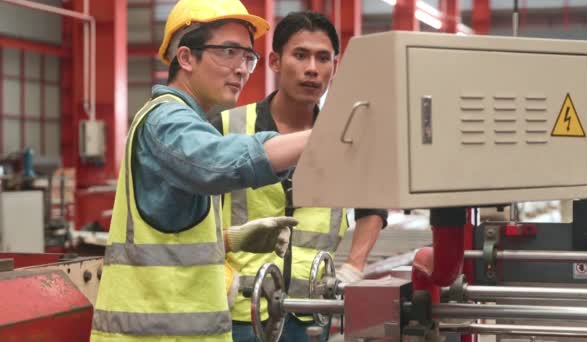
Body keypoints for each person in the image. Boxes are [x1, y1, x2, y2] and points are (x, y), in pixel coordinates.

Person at [90, 1, 313, 340]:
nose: (241, 68)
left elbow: (169, 237)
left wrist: (232, 239)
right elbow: (220, 163)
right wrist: (324, 137)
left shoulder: (188, 123)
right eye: (228, 52)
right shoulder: (166, 120)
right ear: (186, 58)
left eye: (247, 58)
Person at [213, 11, 387, 342]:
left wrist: (354, 267)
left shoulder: (347, 137)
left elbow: (374, 206)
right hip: (238, 312)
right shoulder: (227, 128)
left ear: (335, 67)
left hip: (310, 313)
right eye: (300, 55)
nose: (312, 68)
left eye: (323, 58)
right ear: (275, 61)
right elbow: (195, 214)